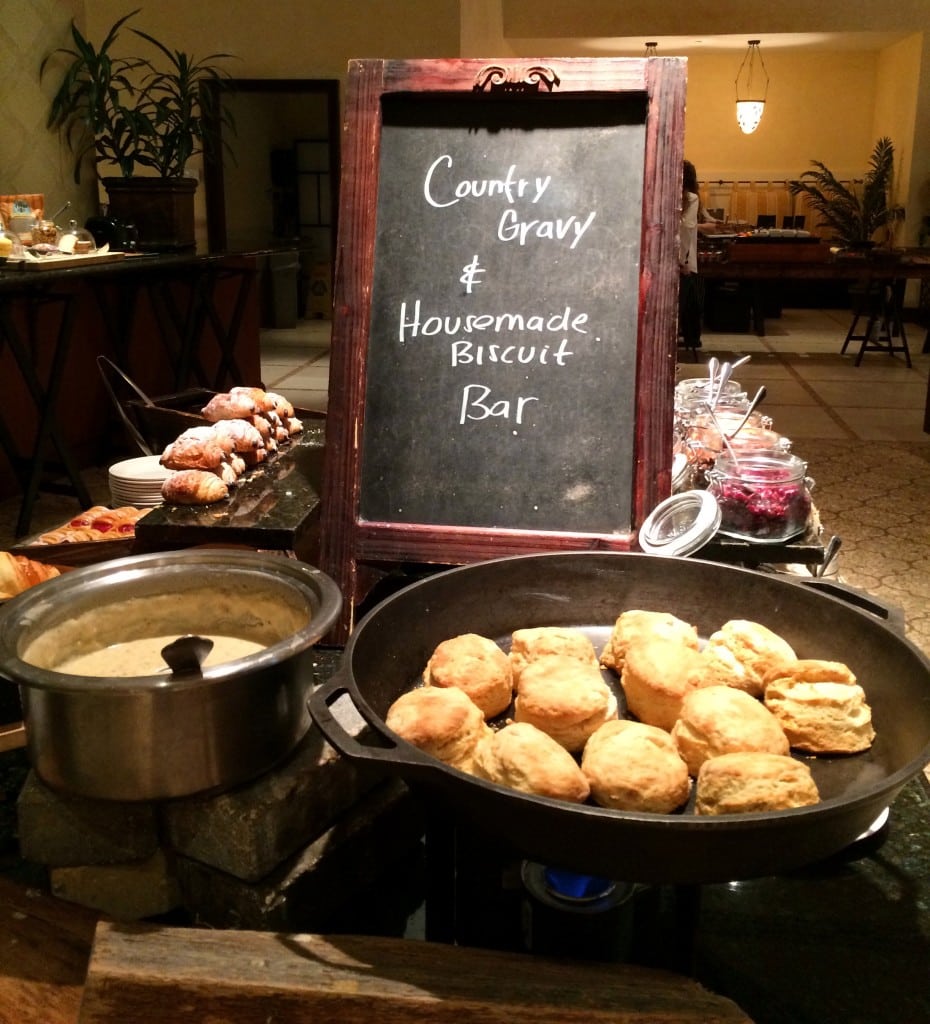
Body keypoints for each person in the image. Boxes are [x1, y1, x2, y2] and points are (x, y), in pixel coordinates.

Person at [678, 160, 716, 351]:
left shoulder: (683, 198)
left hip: (675, 257)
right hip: (684, 259)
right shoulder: (691, 197)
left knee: (688, 301)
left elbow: (707, 222)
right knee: (691, 302)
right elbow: (686, 228)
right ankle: (692, 339)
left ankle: (688, 338)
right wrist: (681, 261)